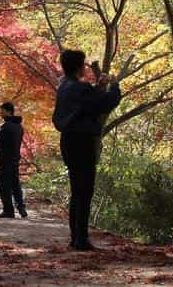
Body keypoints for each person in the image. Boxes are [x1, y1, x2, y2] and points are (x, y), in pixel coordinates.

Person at [52, 49, 121, 251]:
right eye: (84, 65)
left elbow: (86, 104)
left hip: (68, 141)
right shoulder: (79, 88)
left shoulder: (64, 86)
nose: (85, 68)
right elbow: (106, 103)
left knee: (77, 190)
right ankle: (80, 240)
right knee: (84, 191)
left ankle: (77, 237)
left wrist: (98, 87)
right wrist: (114, 85)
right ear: (78, 67)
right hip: (82, 142)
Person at [0, 102, 27, 219]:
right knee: (15, 183)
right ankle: (21, 208)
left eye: (2, 111)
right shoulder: (19, 126)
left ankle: (8, 210)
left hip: (5, 159)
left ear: (8, 111)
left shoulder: (6, 126)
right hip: (15, 158)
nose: (0, 113)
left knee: (4, 185)